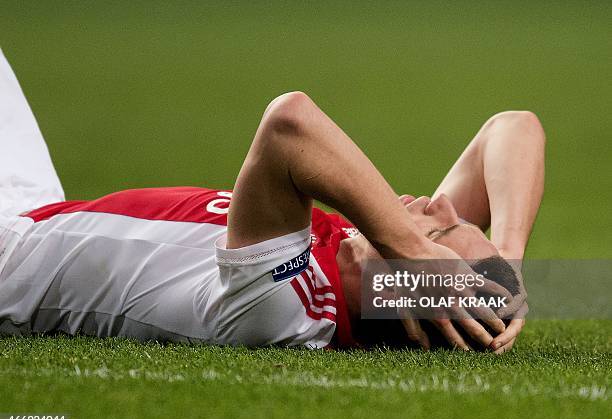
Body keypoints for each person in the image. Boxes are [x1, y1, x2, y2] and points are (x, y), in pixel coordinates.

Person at [0, 50, 544, 354]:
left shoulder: (287, 305)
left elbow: (290, 122)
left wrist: (407, 245)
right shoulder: (360, 262)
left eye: (441, 236)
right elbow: (513, 128)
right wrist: (508, 257)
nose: (441, 205)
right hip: (38, 207)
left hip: (10, 259)